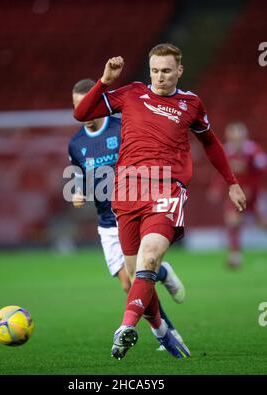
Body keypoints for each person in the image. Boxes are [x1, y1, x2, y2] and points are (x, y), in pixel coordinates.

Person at [73, 43, 246, 360]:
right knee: (135, 277)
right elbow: (81, 113)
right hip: (126, 191)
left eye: (166, 71)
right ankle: (162, 331)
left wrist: (232, 182)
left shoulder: (190, 103)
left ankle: (125, 327)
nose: (160, 77)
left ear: (179, 70)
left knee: (149, 258)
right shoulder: (132, 93)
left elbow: (211, 143)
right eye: (155, 70)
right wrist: (105, 80)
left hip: (167, 186)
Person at [69, 78, 189, 353]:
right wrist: (77, 191)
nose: (84, 111)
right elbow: (78, 175)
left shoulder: (122, 126)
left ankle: (167, 333)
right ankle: (162, 272)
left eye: (87, 103)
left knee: (137, 278)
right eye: (77, 106)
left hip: (135, 209)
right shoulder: (75, 144)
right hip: (106, 221)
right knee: (128, 284)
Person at [208, 122, 267, 268]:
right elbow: (221, 172)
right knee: (232, 221)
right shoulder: (226, 151)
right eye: (233, 138)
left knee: (262, 223)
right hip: (236, 193)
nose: (236, 141)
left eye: (239, 137)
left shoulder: (254, 151)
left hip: (255, 193)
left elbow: (262, 172)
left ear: (245, 137)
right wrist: (216, 187)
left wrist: (251, 188)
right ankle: (235, 256)